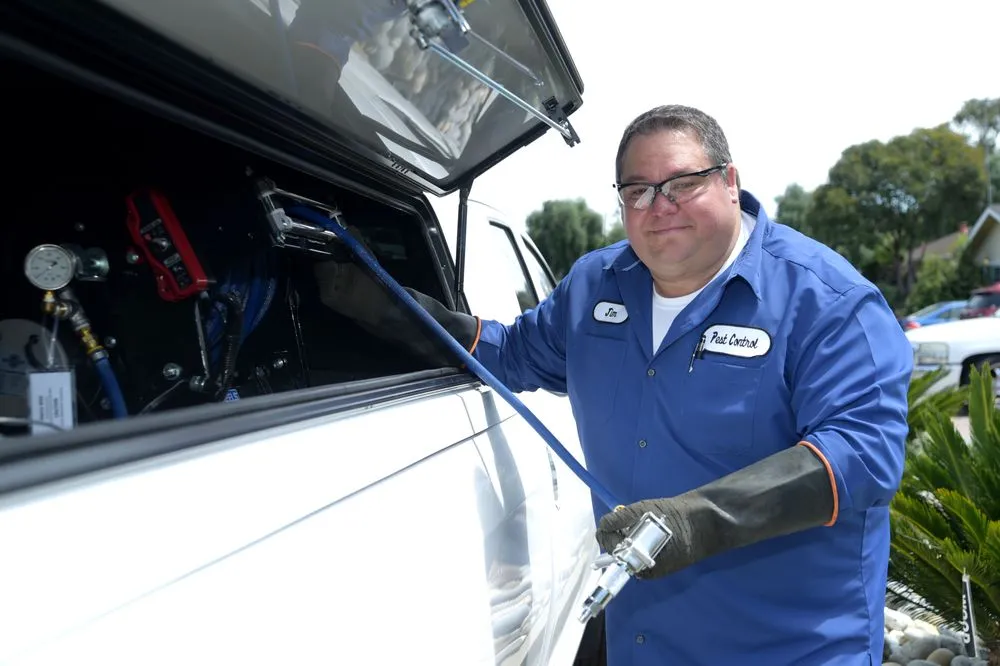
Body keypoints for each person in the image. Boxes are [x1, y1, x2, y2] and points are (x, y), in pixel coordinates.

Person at [313, 105, 913, 664]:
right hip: (643, 644)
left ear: (730, 181)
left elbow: (863, 454)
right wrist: (384, 306)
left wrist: (694, 521)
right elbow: (512, 353)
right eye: (637, 191)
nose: (659, 205)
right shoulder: (595, 285)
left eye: (683, 183)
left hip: (788, 648)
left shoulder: (827, 301)